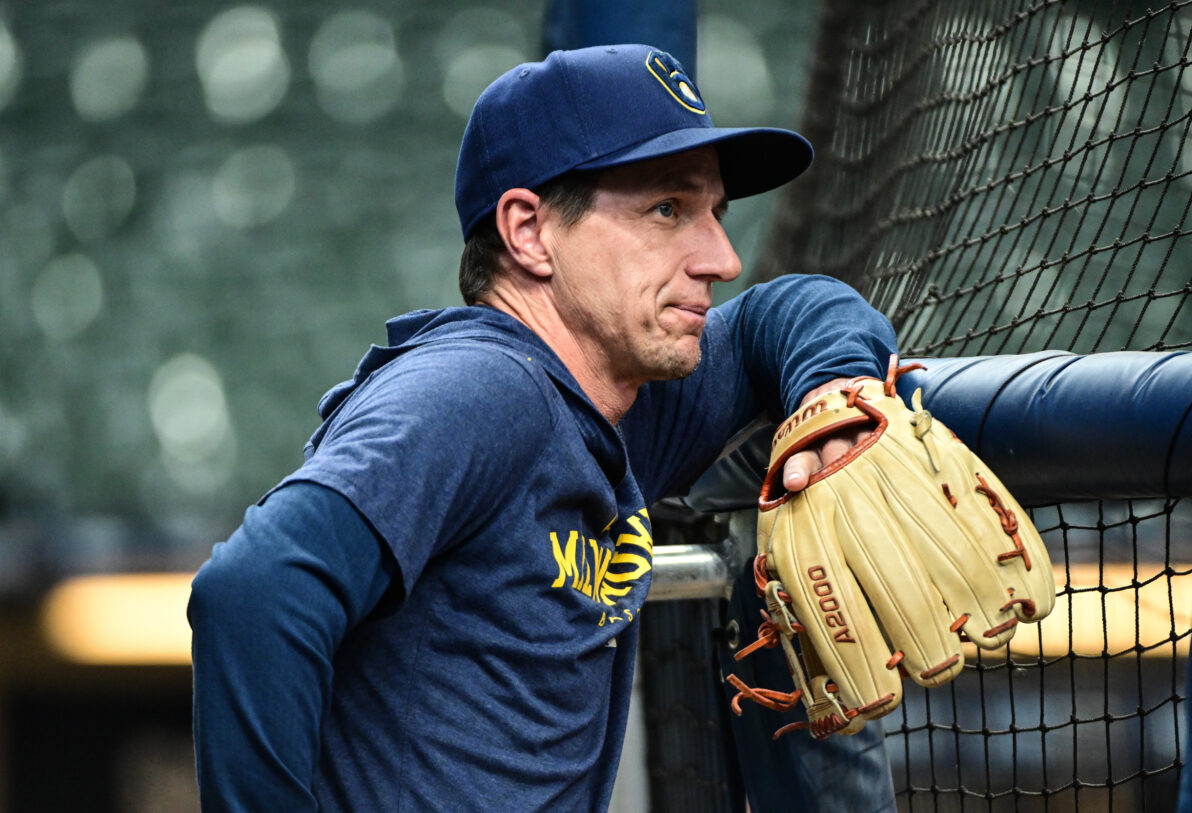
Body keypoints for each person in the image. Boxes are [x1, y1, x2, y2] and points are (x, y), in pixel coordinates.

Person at [188, 43, 897, 810]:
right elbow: (253, 593)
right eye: (668, 209)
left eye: (716, 214)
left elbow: (785, 312)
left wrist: (836, 396)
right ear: (528, 231)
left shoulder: (612, 397)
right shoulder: (481, 391)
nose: (722, 257)